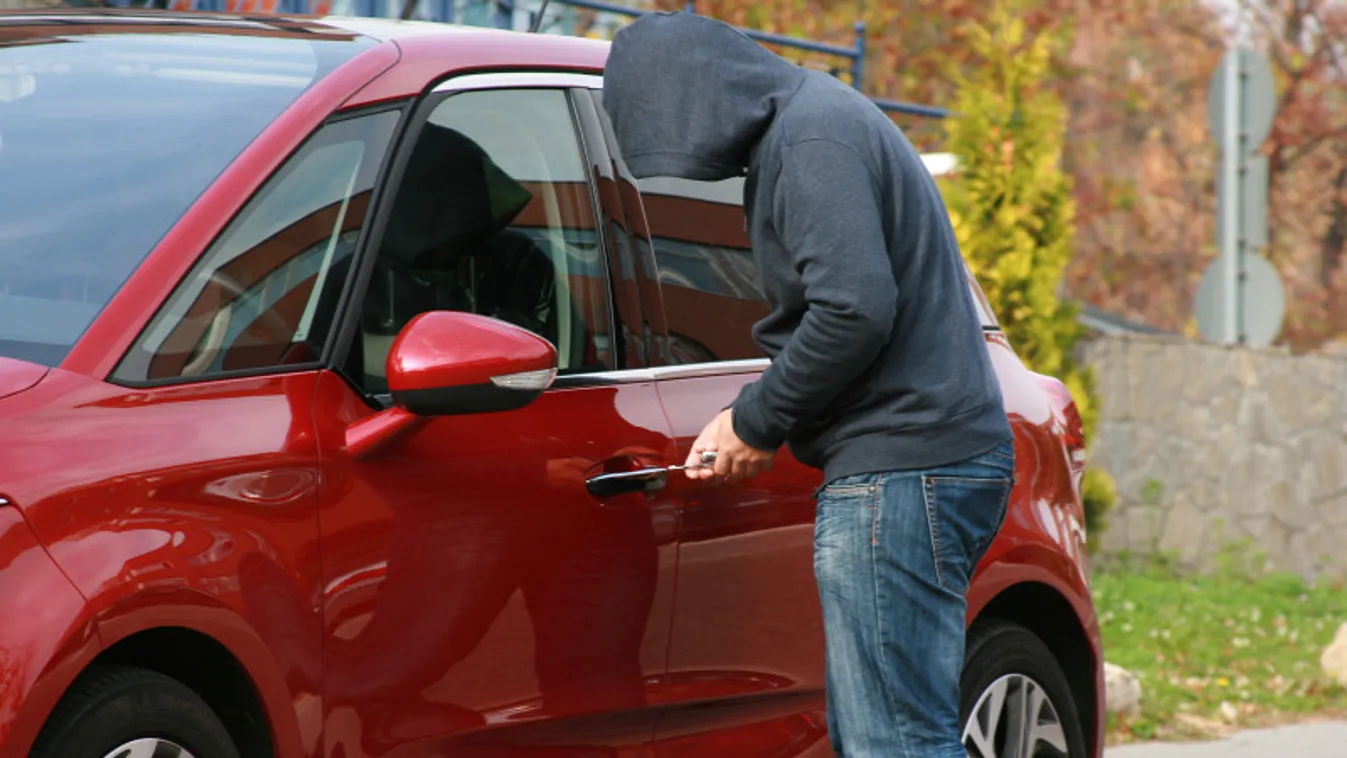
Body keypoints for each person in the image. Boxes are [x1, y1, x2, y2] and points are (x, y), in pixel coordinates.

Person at [601, 12, 1016, 758]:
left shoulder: (809, 141)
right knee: (900, 730)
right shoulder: (823, 117)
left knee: (894, 741)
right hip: (930, 460)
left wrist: (754, 421)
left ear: (691, 94)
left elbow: (853, 308)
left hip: (900, 473)